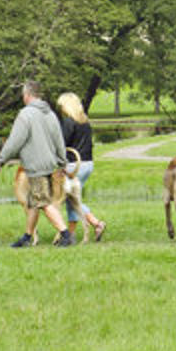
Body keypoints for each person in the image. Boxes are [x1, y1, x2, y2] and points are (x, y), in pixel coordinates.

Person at [0, 80, 73, 247]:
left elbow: (15, 140)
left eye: (23, 95)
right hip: (49, 165)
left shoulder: (26, 114)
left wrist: (2, 158)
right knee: (33, 203)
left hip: (36, 166)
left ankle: (66, 234)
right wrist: (62, 161)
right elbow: (59, 140)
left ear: (28, 95)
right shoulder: (50, 114)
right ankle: (27, 237)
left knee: (43, 203)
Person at [56, 91, 107, 243]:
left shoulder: (68, 122)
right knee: (72, 199)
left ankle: (95, 224)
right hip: (87, 164)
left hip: (73, 164)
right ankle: (71, 234)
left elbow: (62, 145)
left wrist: (59, 164)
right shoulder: (85, 121)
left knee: (72, 199)